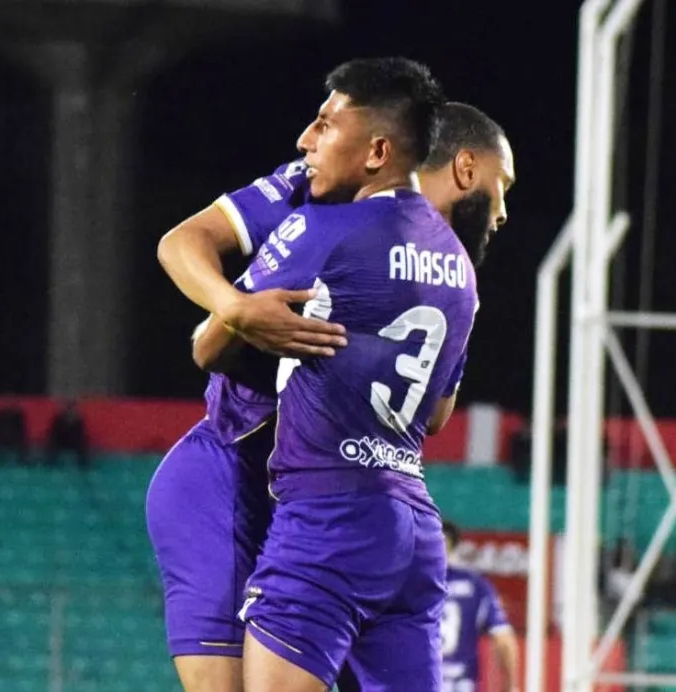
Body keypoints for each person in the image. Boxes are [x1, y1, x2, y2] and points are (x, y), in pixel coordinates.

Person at [149, 87, 514, 692]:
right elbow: (184, 248)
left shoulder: (448, 269)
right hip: (233, 473)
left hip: (326, 498)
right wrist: (235, 307)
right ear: (467, 167)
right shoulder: (317, 189)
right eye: (504, 186)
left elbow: (432, 415)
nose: (502, 213)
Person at [222, 59, 479, 692]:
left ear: (378, 152)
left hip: (328, 514)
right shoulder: (459, 265)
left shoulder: (328, 228)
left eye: (326, 124)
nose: (306, 139)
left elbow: (210, 344)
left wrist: (236, 309)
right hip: (412, 529)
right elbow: (438, 415)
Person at [441, 521, 521, 692]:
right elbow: (503, 639)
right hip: (461, 684)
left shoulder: (410, 585)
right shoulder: (475, 584)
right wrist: (510, 686)